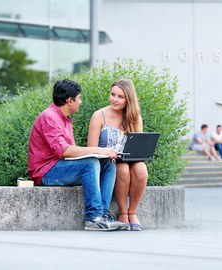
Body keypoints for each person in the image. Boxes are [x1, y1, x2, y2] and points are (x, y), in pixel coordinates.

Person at [28, 79, 125, 231]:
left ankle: (104, 215)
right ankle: (93, 217)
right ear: (69, 100)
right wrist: (98, 150)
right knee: (90, 163)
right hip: (45, 172)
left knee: (108, 164)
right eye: (79, 98)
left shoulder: (65, 120)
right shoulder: (49, 117)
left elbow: (69, 152)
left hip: (60, 165)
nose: (81, 101)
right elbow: (65, 151)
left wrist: (103, 155)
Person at [87, 79, 147, 231]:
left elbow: (137, 146)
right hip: (107, 162)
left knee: (141, 168)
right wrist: (108, 153)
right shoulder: (99, 115)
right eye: (113, 94)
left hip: (128, 159)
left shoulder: (135, 118)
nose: (114, 99)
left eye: (120, 96)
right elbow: (91, 148)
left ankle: (132, 211)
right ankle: (123, 212)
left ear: (128, 99)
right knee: (122, 169)